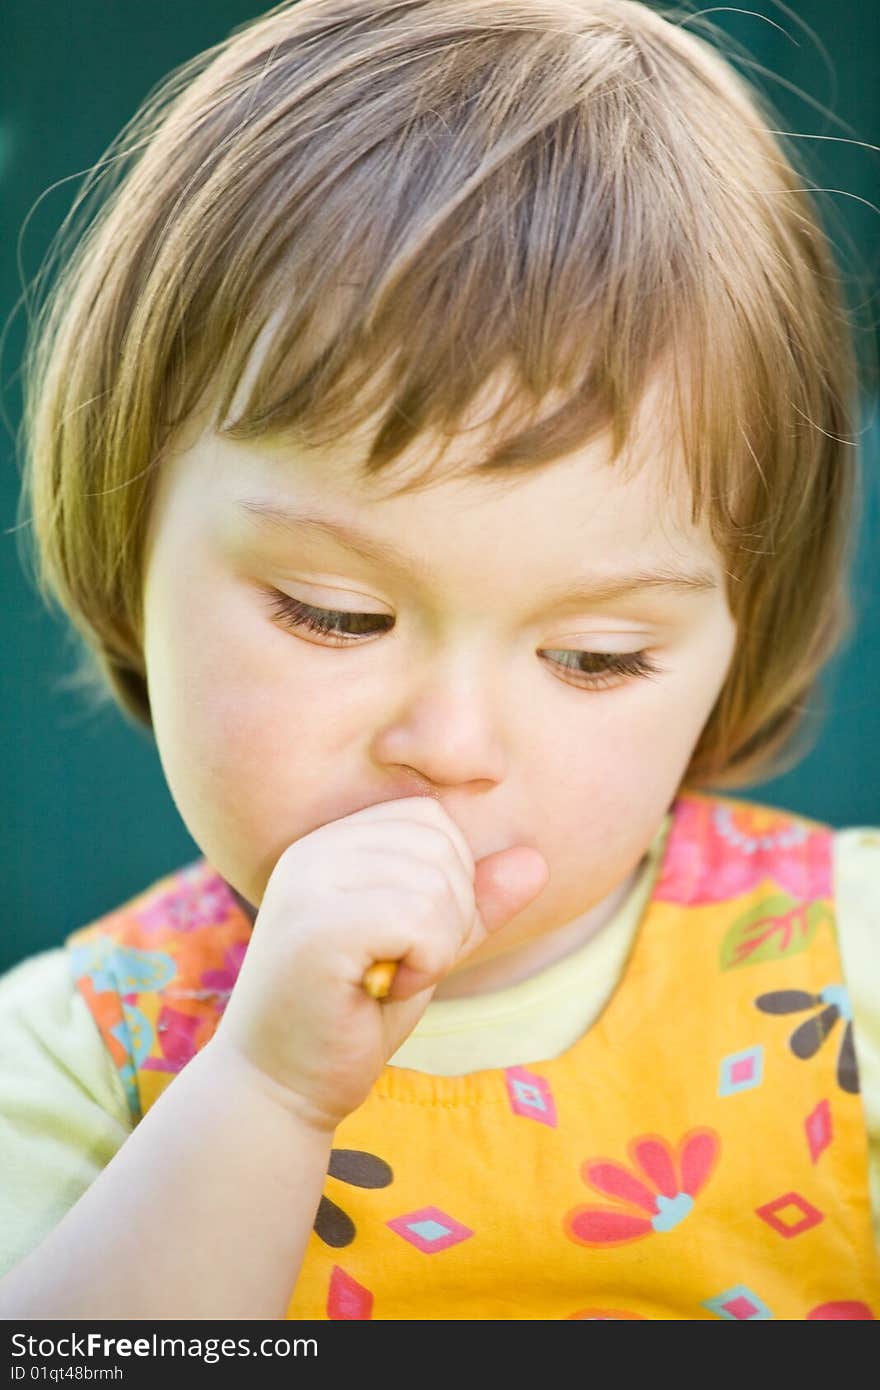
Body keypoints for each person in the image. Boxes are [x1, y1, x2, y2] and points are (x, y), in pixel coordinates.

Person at [0, 0, 878, 1322]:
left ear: (739, 640)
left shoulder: (849, 968)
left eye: (598, 654)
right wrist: (270, 1095)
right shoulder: (71, 1060)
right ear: (131, 545)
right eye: (334, 613)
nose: (452, 744)